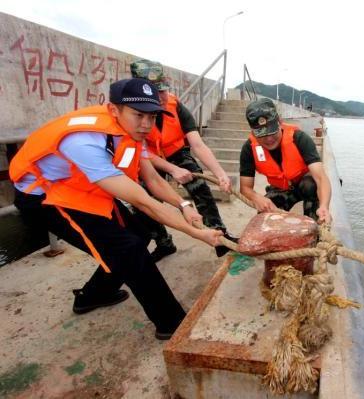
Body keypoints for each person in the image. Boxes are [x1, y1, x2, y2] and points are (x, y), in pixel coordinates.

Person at [9, 78, 223, 340]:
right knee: (128, 248)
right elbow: (144, 201)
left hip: (79, 187)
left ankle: (94, 295)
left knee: (141, 234)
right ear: (114, 110)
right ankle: (172, 323)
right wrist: (198, 234)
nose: (146, 124)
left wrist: (184, 205)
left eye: (152, 116)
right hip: (44, 198)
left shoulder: (132, 131)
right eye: (138, 115)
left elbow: (153, 180)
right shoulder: (85, 142)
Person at [130, 59, 237, 262]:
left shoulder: (174, 104)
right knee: (145, 203)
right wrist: (171, 169)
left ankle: (219, 236)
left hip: (176, 153)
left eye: (162, 90)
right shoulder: (131, 113)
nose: (162, 96)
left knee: (199, 186)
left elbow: (197, 144)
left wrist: (220, 173)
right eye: (155, 92)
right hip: (147, 159)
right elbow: (140, 152)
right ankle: (164, 242)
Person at [239, 97, 332, 224]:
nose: (269, 139)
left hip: (304, 184)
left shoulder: (300, 139)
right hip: (279, 187)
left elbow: (321, 178)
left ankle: (315, 223)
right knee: (265, 217)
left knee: (311, 185)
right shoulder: (249, 149)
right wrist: (257, 198)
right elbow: (245, 187)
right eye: (262, 134)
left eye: (272, 131)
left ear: (280, 122)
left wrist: (324, 206)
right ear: (253, 133)